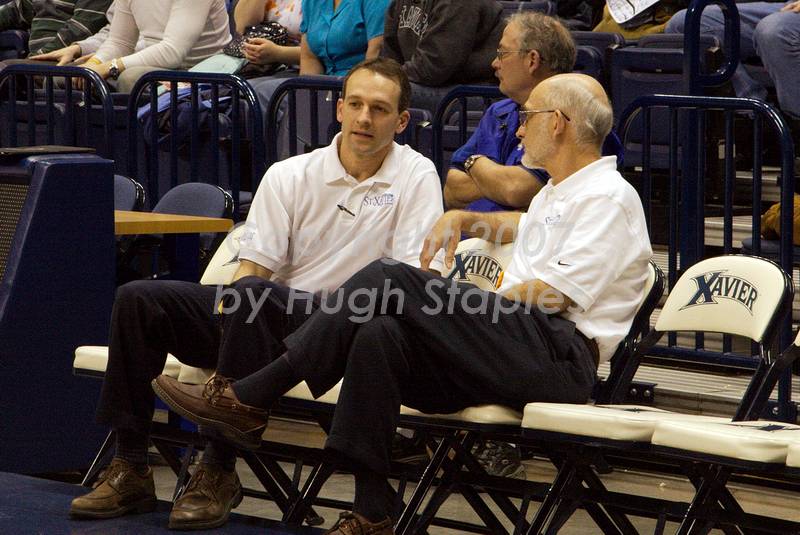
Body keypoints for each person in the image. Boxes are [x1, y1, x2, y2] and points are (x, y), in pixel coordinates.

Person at [152, 73, 654, 535]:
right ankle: (373, 510)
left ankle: (253, 394)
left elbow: (553, 294)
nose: (518, 130)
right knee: (378, 336)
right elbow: (525, 229)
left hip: (557, 357)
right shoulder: (558, 193)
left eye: (527, 117)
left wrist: (463, 306)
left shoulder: (608, 197)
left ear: (560, 125)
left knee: (393, 278)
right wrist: (466, 221)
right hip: (513, 344)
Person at [69, 57, 445, 531]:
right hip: (266, 316)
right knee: (141, 298)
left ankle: (217, 469)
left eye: (380, 109)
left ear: (402, 120)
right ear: (338, 108)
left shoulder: (416, 176)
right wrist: (230, 314)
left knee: (255, 299)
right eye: (356, 104)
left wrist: (249, 303)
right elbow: (255, 268)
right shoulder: (289, 174)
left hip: (346, 328)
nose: (365, 118)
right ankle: (129, 467)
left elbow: (406, 282)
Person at [445, 12, 621, 214]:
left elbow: (516, 190)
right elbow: (452, 190)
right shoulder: (497, 113)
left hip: (531, 239)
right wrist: (502, 181)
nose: (494, 63)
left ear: (532, 60)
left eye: (502, 53)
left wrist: (474, 164)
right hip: (474, 239)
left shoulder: (576, 117)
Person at [666, 1, 800, 124]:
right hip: (784, 5)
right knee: (685, 23)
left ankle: (795, 125)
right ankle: (759, 114)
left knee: (774, 31)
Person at [66, 0, 231, 93]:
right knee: (69, 74)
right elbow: (120, 42)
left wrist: (110, 66)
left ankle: (137, 150)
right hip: (158, 65)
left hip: (205, 74)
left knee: (132, 77)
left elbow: (173, 51)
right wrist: (95, 63)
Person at [381, 0, 504, 112]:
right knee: (374, 87)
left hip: (473, 90)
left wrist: (388, 80)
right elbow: (389, 55)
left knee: (383, 92)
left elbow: (433, 67)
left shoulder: (461, 4)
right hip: (428, 82)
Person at [29, 2, 146, 66]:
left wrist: (107, 60)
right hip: (113, 57)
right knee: (15, 71)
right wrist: (78, 48)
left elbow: (157, 43)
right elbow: (115, 36)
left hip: (143, 64)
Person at [299, 0, 391, 76]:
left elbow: (376, 56)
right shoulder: (310, 2)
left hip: (361, 83)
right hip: (324, 87)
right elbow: (310, 58)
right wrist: (309, 94)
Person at [0, 0, 111, 56]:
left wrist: (38, 57)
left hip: (69, 59)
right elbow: (16, 11)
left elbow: (80, 30)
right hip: (39, 59)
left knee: (6, 73)